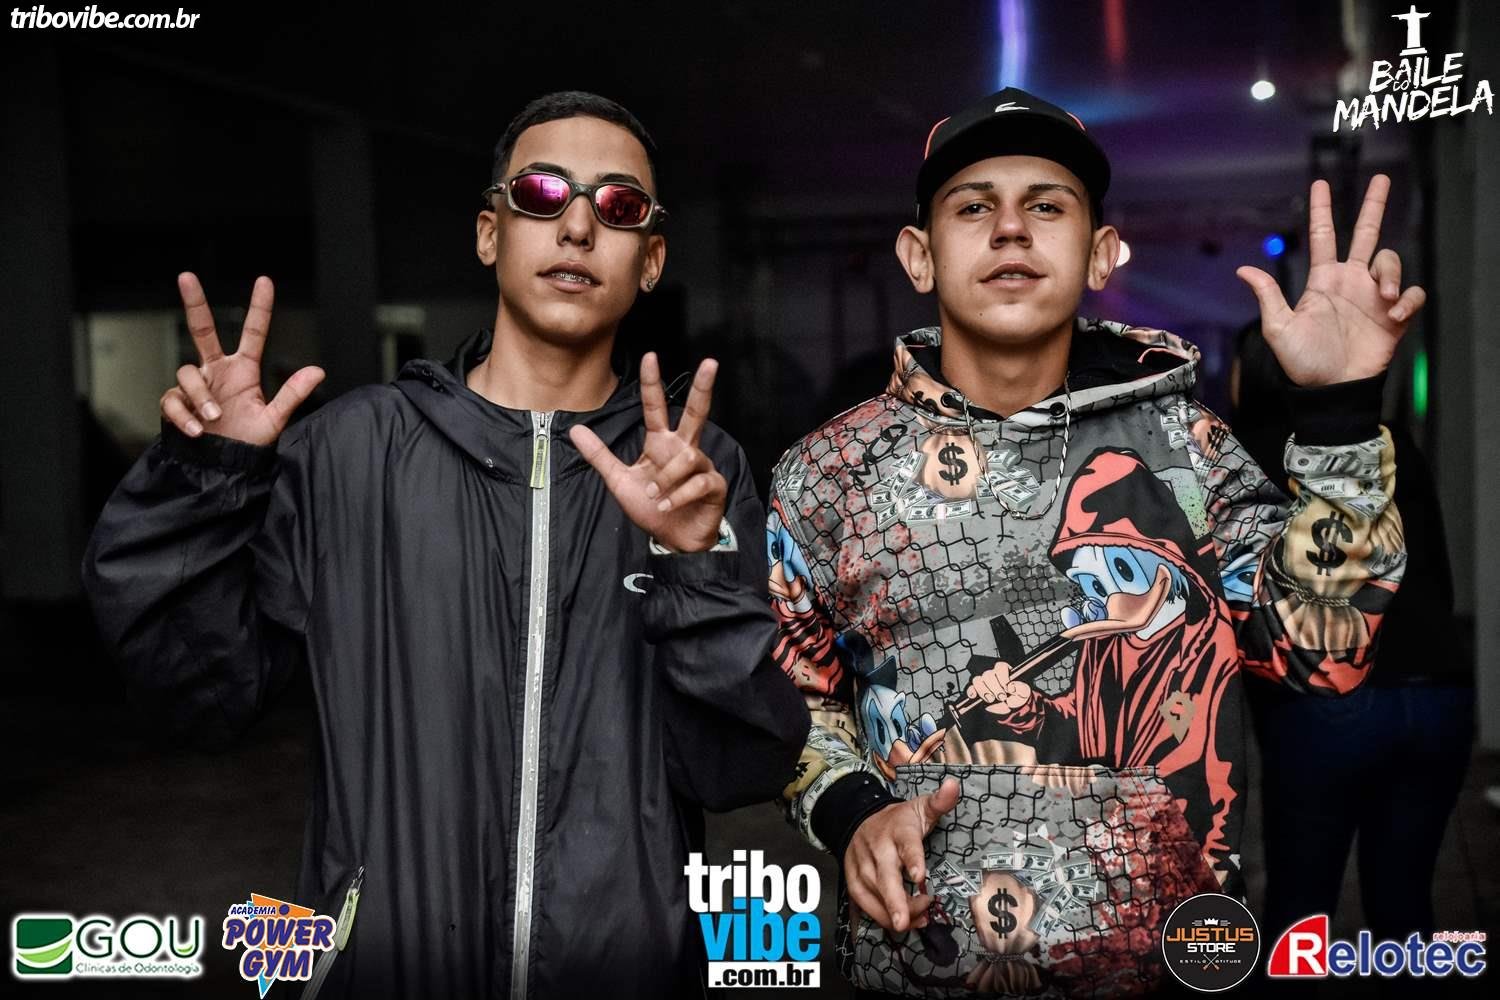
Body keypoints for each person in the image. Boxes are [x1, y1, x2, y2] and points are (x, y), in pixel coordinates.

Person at [81, 91, 808, 999]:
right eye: (543, 192)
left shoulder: (698, 473)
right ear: (488, 233)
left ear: (651, 260)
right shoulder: (349, 452)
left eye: (618, 205)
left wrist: (691, 568)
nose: (578, 225)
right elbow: (195, 693)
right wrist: (207, 479)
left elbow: (735, 766)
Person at [767, 86, 1420, 997]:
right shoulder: (828, 473)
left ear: (1103, 253)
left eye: (1046, 205)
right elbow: (792, 694)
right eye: (972, 207)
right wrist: (851, 812)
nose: (1009, 228)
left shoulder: (1191, 453)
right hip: (919, 970)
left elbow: (1323, 656)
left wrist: (1341, 413)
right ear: (919, 256)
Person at [1232, 322, 1474, 948]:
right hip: (1439, 689)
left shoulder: (1242, 455)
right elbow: (1434, 572)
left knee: (1300, 907)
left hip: (1327, 702)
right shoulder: (1387, 445)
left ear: (1252, 371)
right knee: (1406, 901)